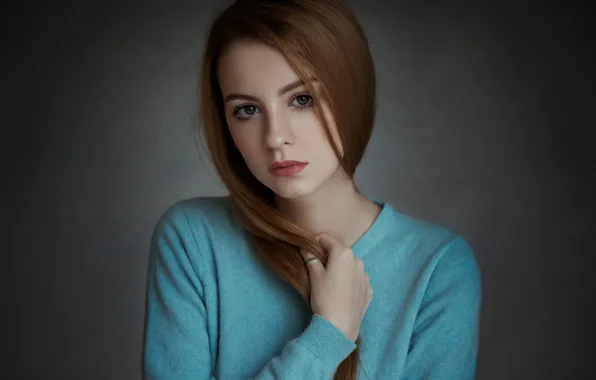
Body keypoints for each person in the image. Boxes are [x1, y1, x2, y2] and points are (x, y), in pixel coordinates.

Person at [142, 0, 482, 379]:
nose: (275, 137)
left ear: (350, 92)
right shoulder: (192, 239)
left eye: (302, 99)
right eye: (247, 110)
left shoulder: (437, 268)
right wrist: (329, 336)